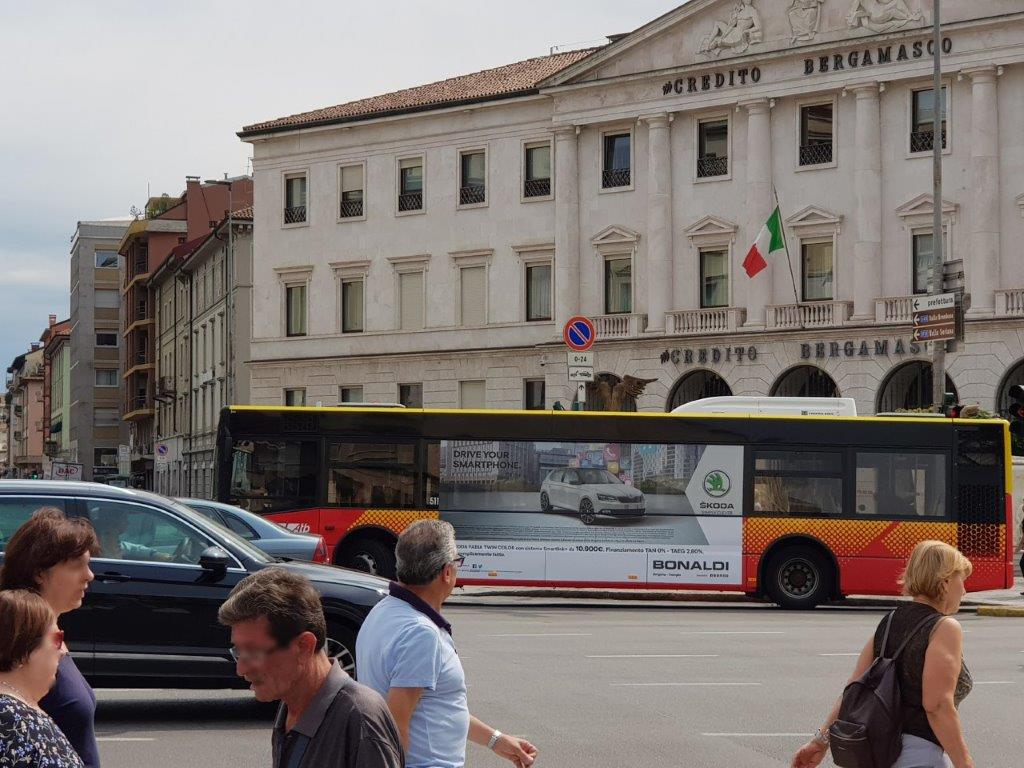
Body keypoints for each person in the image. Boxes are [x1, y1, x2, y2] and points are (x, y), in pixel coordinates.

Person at [357, 520, 538, 768]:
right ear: (447, 572)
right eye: (457, 561)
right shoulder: (421, 633)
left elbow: (439, 706)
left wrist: (496, 740)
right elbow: (396, 726)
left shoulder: (384, 611)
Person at [791, 540, 974, 768]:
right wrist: (964, 763)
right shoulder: (944, 627)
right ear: (945, 583)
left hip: (876, 754)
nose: (965, 590)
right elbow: (936, 705)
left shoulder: (888, 623)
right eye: (962, 580)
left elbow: (854, 691)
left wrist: (819, 742)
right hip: (919, 756)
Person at [217, 567, 403, 768]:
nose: (241, 669)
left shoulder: (361, 720)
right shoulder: (290, 704)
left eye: (253, 652)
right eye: (238, 651)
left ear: (304, 646)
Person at [0, 508, 100, 768]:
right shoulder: (19, 641)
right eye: (77, 565)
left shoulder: (50, 635)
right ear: (39, 573)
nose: (89, 575)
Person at [0, 589, 85, 767]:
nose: (62, 651)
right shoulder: (7, 718)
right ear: (24, 651)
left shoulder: (18, 709)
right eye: (57, 638)